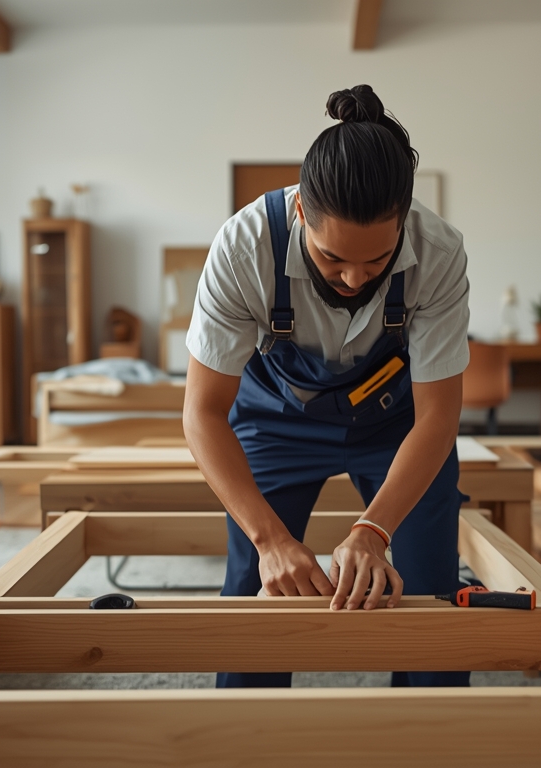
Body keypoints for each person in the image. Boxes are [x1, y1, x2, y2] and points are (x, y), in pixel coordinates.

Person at [183, 85, 471, 688]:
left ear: (405, 221)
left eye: (377, 261)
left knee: (432, 594)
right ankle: (247, 740)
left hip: (399, 421)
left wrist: (372, 531)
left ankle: (433, 734)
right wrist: (270, 540)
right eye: (332, 257)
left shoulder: (439, 252)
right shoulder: (242, 248)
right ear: (299, 215)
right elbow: (204, 415)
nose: (353, 278)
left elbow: (438, 418)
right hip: (276, 417)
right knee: (253, 591)